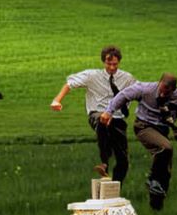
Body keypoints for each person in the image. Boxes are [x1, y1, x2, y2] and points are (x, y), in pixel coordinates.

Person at [100, 73, 177, 210]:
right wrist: (109, 112)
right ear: (159, 83)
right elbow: (123, 95)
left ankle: (156, 206)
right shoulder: (145, 89)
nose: (163, 95)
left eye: (167, 92)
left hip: (162, 131)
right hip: (144, 126)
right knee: (166, 148)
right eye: (161, 90)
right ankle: (152, 179)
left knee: (166, 172)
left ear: (174, 90)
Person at [50, 45, 136, 183]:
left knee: (123, 159)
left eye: (115, 64)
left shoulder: (127, 78)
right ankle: (104, 163)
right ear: (104, 62)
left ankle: (116, 188)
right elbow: (69, 84)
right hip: (97, 114)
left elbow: (138, 92)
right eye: (109, 64)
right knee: (103, 121)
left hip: (118, 118)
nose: (112, 68)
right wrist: (57, 100)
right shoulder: (92, 75)